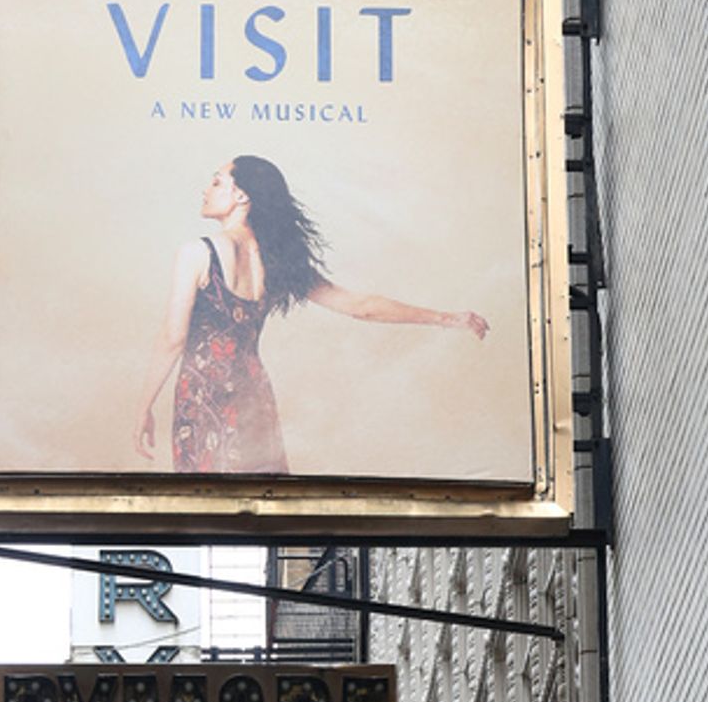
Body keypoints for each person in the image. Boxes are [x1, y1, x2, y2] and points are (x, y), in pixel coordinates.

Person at [135, 157, 489, 475]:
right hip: (253, 392)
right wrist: (447, 318)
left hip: (204, 395)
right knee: (261, 502)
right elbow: (360, 306)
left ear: (242, 196)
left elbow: (173, 338)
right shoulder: (277, 262)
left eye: (216, 182)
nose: (206, 189)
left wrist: (144, 406)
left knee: (210, 506)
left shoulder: (198, 252)